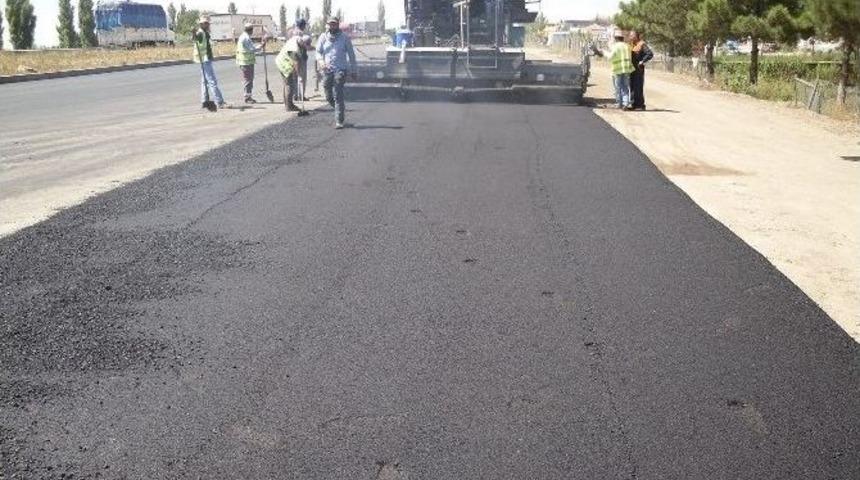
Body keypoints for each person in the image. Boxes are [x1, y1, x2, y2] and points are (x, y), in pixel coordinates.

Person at [316, 17, 357, 129]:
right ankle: (340, 110)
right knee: (328, 95)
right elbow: (318, 52)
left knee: (337, 94)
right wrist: (321, 62)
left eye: (334, 24)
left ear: (338, 25)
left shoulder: (344, 38)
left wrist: (354, 70)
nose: (332, 26)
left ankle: (339, 121)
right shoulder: (323, 37)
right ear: (328, 25)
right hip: (327, 70)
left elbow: (351, 55)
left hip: (340, 70)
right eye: (330, 24)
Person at [193, 16, 227, 108]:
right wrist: (194, 35)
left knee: (204, 81)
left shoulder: (204, 32)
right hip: (205, 59)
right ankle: (219, 102)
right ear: (202, 24)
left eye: (208, 23)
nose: (208, 25)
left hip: (204, 58)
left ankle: (204, 101)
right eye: (206, 23)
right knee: (212, 81)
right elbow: (197, 38)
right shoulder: (201, 33)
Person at [275, 34, 311, 112]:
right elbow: (296, 63)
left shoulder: (298, 39)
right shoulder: (293, 49)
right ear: (302, 42)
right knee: (289, 84)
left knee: (288, 84)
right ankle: (289, 106)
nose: (306, 47)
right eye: (305, 45)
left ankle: (288, 104)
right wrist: (299, 76)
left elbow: (303, 56)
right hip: (284, 63)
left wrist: (304, 54)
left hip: (287, 61)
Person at [236, 22, 266, 104]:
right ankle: (247, 97)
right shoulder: (246, 38)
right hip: (246, 62)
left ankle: (248, 96)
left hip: (245, 61)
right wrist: (261, 46)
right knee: (248, 80)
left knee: (248, 79)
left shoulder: (243, 36)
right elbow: (252, 49)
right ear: (251, 30)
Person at [606, 31, 634, 110]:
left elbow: (610, 57)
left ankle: (619, 103)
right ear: (622, 38)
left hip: (617, 70)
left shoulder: (615, 46)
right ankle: (625, 103)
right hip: (627, 69)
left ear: (616, 38)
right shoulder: (627, 46)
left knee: (617, 87)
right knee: (625, 87)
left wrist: (604, 53)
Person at [629, 31, 654, 110]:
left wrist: (642, 61)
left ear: (636, 36)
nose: (630, 37)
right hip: (632, 69)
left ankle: (640, 105)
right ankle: (634, 104)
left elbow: (650, 54)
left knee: (638, 87)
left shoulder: (642, 44)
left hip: (638, 69)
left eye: (631, 35)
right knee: (632, 86)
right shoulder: (632, 44)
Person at [292, 19, 313, 101]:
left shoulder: (291, 32)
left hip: (291, 56)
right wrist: (310, 47)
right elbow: (303, 45)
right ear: (303, 25)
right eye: (304, 25)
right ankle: (301, 95)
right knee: (302, 77)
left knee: (294, 77)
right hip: (300, 57)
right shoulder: (300, 33)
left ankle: (295, 95)